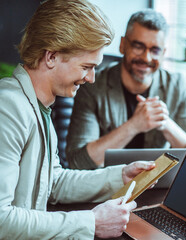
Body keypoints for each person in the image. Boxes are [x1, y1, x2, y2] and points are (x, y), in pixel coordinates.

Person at [0, 0, 156, 239]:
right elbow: (1, 220)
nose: (91, 78)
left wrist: (119, 176)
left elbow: (53, 182)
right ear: (51, 56)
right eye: (87, 66)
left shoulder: (37, 107)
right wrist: (91, 222)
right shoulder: (9, 108)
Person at [66, 9, 186, 170]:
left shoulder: (177, 85)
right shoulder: (93, 85)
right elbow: (78, 162)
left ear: (163, 54)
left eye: (155, 50)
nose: (146, 58)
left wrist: (165, 123)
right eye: (138, 47)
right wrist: (134, 125)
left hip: (158, 185)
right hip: (107, 187)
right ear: (122, 45)